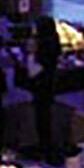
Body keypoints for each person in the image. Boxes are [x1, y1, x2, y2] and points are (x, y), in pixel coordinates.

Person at [30, 15, 62, 151]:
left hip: (42, 85)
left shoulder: (44, 47)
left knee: (42, 117)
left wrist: (30, 54)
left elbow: (33, 72)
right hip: (49, 83)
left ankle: (45, 146)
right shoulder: (54, 42)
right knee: (45, 115)